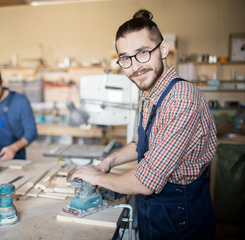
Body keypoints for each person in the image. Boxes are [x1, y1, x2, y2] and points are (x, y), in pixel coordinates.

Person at [72, 9, 217, 240]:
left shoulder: (182, 98)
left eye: (142, 53)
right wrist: (107, 162)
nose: (135, 66)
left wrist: (96, 178)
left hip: (180, 214)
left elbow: (146, 181)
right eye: (126, 58)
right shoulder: (149, 93)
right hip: (155, 207)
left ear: (163, 49)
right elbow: (141, 141)